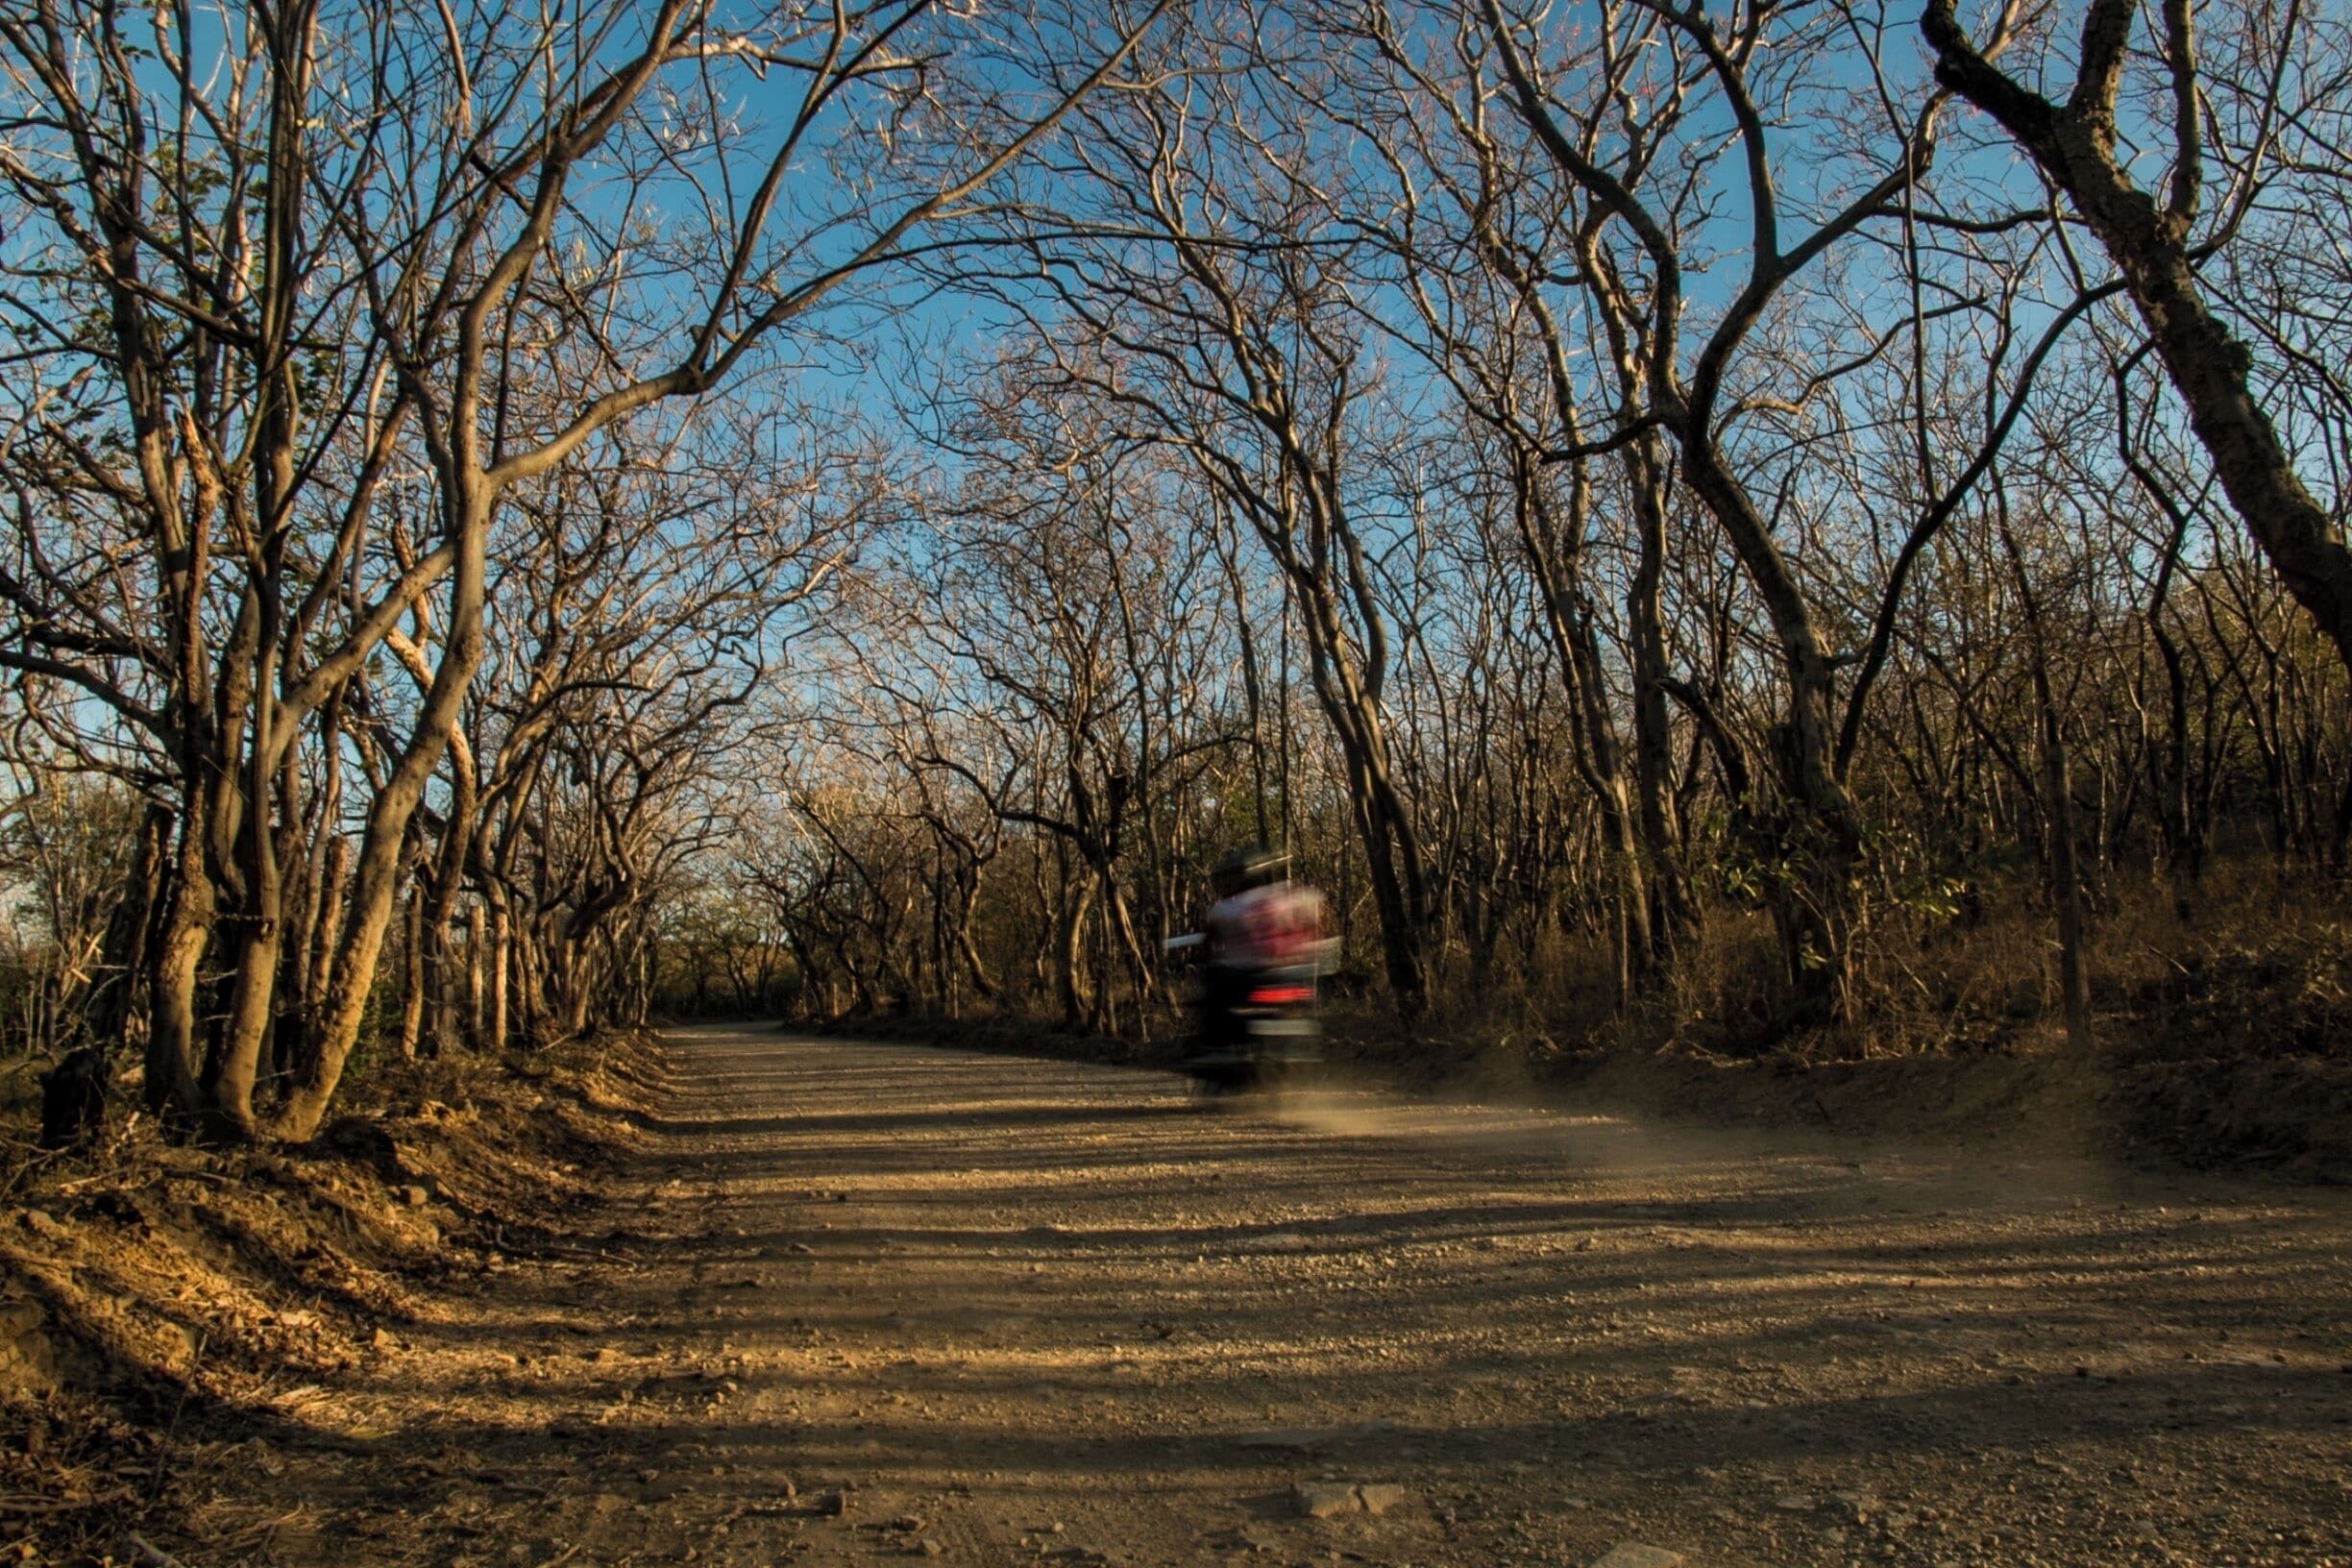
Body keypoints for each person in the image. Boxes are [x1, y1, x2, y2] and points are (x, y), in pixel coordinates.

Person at [1196, 845, 1328, 1053]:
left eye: (1231, 876)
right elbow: (1315, 923)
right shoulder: (1290, 898)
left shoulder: (1226, 909)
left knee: (1213, 995)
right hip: (1287, 973)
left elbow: (1210, 946)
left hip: (1241, 975)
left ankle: (1213, 1046)